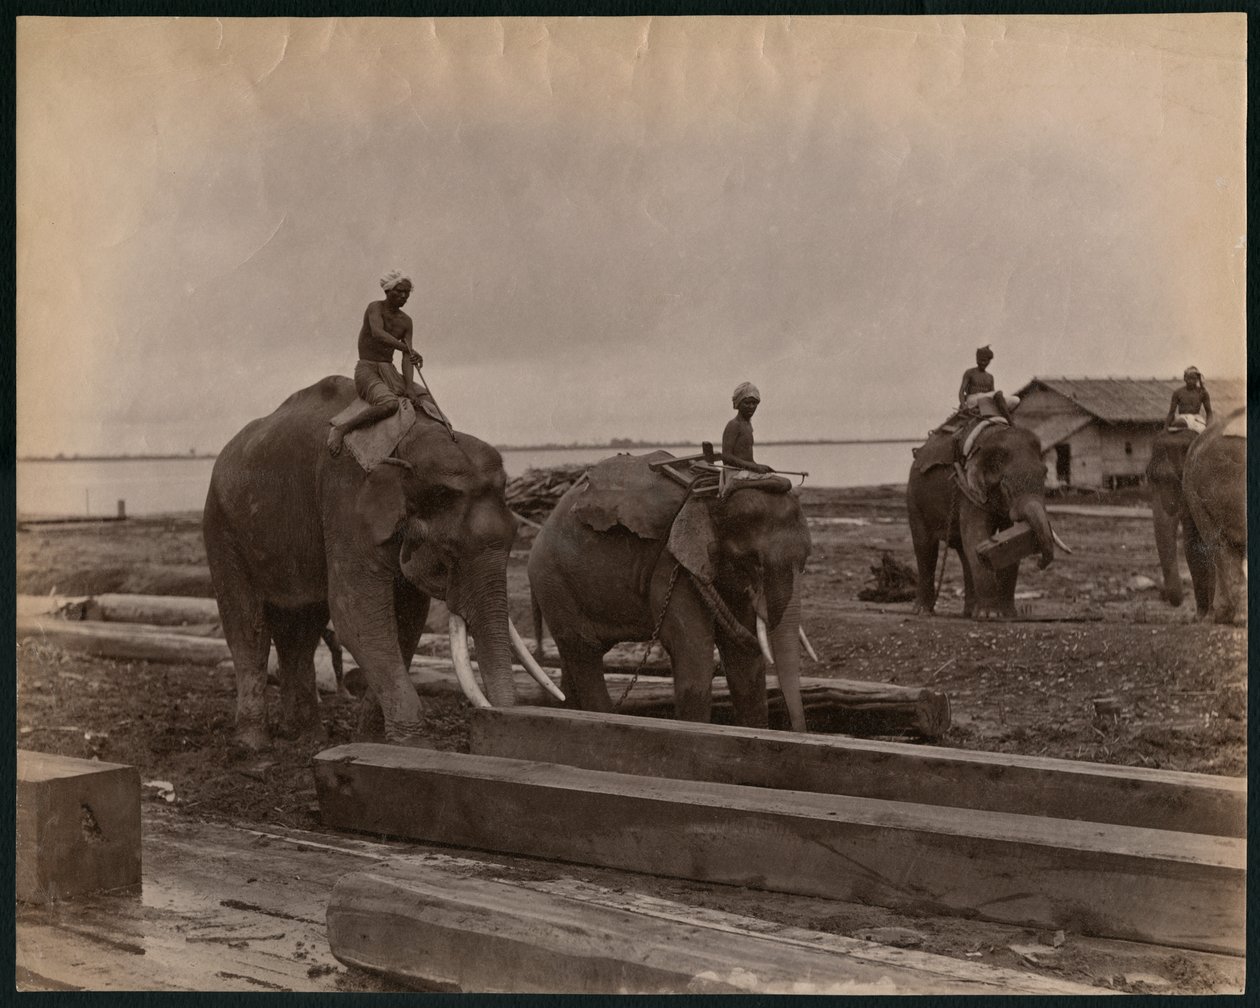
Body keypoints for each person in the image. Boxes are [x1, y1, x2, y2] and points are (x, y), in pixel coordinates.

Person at [327, 271, 424, 457]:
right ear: (387, 291)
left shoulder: (406, 321)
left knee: (421, 399)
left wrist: (410, 388)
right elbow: (378, 334)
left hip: (389, 371)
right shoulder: (375, 308)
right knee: (390, 404)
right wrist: (407, 349)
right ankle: (341, 429)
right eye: (399, 291)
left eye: (407, 292)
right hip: (367, 368)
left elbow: (407, 357)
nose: (404, 296)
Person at [722, 382, 773, 474]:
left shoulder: (748, 425)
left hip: (746, 472)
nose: (751, 406)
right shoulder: (734, 424)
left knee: (778, 479)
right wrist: (754, 467)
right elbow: (726, 457)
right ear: (738, 404)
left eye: (754, 403)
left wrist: (759, 467)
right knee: (784, 482)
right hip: (734, 474)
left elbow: (748, 459)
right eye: (747, 403)